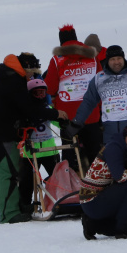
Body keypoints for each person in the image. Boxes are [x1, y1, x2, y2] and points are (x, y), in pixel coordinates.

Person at [0, 54, 68, 224]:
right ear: (26, 68)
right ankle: (9, 213)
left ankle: (18, 206)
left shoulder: (10, 77)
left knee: (13, 171)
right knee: (7, 173)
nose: (32, 77)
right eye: (32, 73)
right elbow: (29, 109)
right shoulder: (13, 81)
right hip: (1, 136)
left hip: (2, 134)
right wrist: (55, 113)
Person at [68, 45, 127, 146]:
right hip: (110, 134)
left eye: (119, 58)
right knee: (114, 161)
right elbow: (88, 102)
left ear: (123, 58)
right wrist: (77, 122)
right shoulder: (99, 78)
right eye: (113, 59)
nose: (116, 62)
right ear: (107, 60)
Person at [44, 25, 102, 172]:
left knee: (70, 154)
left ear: (61, 41)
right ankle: (99, 185)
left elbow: (49, 87)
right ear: (76, 39)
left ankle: (72, 188)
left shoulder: (57, 60)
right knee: (95, 153)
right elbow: (101, 83)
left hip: (68, 116)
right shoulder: (92, 57)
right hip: (91, 114)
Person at [79, 125, 127, 240]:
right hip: (93, 200)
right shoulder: (114, 147)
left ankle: (92, 224)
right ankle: (124, 229)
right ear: (124, 137)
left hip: (103, 199)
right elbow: (120, 176)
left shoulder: (126, 153)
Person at [18, 79, 60, 210]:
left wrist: (63, 121)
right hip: (30, 152)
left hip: (50, 150)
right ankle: (25, 205)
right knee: (26, 181)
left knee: (56, 180)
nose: (41, 96)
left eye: (43, 93)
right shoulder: (26, 111)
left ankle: (58, 201)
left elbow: (58, 123)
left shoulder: (49, 109)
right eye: (37, 93)